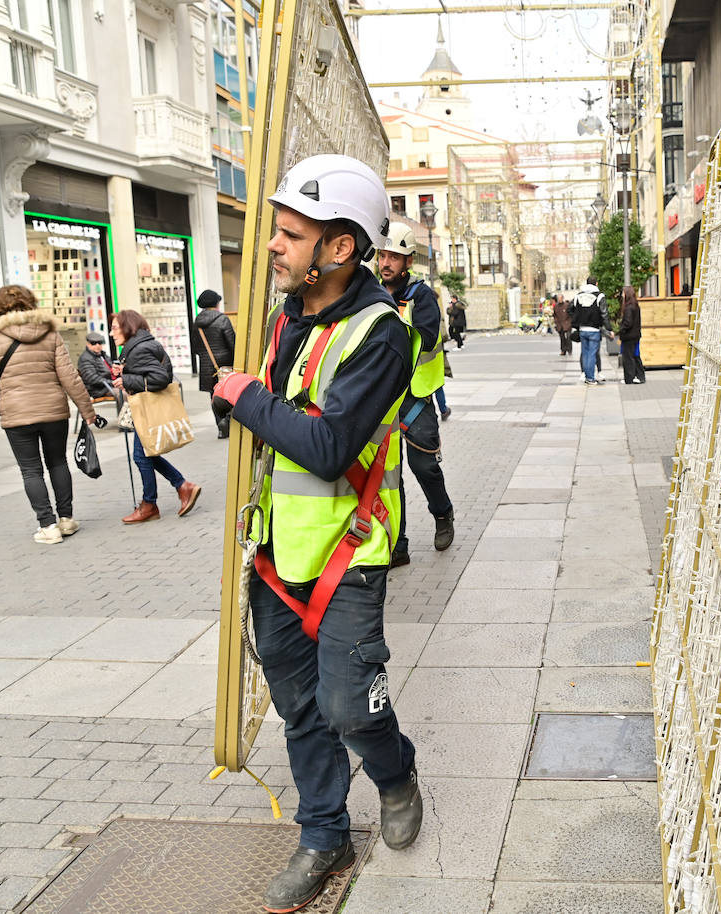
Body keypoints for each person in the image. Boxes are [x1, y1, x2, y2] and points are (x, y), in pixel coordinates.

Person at [208, 154, 424, 913]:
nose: (272, 245)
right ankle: (322, 834)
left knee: (350, 708)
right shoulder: (282, 321)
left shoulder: (382, 335)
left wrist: (239, 396)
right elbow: (272, 426)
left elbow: (329, 447)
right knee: (301, 711)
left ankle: (395, 774)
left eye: (289, 234)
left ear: (338, 249)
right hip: (276, 556)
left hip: (348, 558)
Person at [0, 285, 99, 542]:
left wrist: (1, 405)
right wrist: (87, 410)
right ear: (30, 303)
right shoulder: (50, 334)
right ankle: (66, 519)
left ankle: (48, 526)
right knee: (58, 462)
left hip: (17, 414)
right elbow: (70, 378)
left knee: (30, 471)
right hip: (54, 411)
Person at [375, 223, 456, 564]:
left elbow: (423, 338)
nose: (387, 262)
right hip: (381, 397)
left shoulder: (422, 297)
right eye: (383, 255)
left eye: (394, 256)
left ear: (407, 261)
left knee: (423, 466)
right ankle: (398, 545)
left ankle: (442, 514)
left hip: (415, 396)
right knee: (388, 475)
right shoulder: (371, 293)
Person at [111, 310, 201, 524]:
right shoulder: (140, 345)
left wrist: (127, 380)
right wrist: (126, 371)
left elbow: (160, 378)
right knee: (145, 454)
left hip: (148, 410)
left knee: (142, 456)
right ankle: (181, 486)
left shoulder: (139, 349)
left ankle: (150, 504)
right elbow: (150, 371)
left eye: (115, 328)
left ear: (127, 327)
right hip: (147, 408)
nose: (111, 333)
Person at [193, 290, 237, 438]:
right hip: (225, 363)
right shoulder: (222, 319)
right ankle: (229, 421)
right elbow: (232, 343)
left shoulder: (197, 322)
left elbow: (196, 347)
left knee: (214, 394)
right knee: (229, 392)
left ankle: (220, 425)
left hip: (207, 365)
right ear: (216, 303)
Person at [572, 276, 605, 385]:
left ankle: (586, 375)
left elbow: (571, 309)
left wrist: (576, 322)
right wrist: (608, 327)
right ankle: (590, 378)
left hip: (582, 329)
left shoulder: (578, 296)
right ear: (596, 283)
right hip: (594, 329)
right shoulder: (599, 296)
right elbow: (604, 313)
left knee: (585, 353)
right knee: (592, 354)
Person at [77, 331, 118, 400]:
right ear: (88, 344)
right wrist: (112, 383)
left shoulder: (103, 355)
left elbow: (111, 369)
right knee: (122, 394)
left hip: (110, 385)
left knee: (133, 388)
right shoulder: (85, 358)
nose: (97, 345)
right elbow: (92, 378)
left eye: (100, 343)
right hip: (100, 390)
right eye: (93, 343)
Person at [619, 285, 646, 384]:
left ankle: (629, 378)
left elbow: (628, 322)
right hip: (635, 335)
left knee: (628, 357)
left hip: (628, 336)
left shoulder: (628, 307)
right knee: (635, 356)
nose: (622, 295)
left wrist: (621, 330)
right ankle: (640, 376)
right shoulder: (635, 305)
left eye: (623, 293)